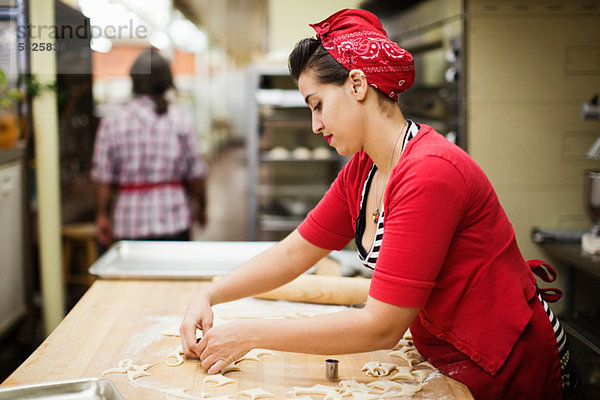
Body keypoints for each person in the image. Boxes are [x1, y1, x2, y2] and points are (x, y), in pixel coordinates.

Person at [180, 9, 583, 400]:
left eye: (317, 104)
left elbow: (380, 326)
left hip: (506, 363)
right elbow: (295, 251)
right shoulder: (364, 169)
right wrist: (211, 294)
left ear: (357, 85)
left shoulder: (429, 173)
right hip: (447, 355)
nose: (315, 125)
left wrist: (249, 334)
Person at [91, 49, 207, 245]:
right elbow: (196, 173)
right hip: (174, 219)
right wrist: (201, 206)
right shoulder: (180, 119)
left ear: (134, 79)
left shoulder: (113, 121)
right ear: (167, 81)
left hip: (128, 223)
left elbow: (102, 176)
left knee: (132, 277)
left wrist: (102, 214)